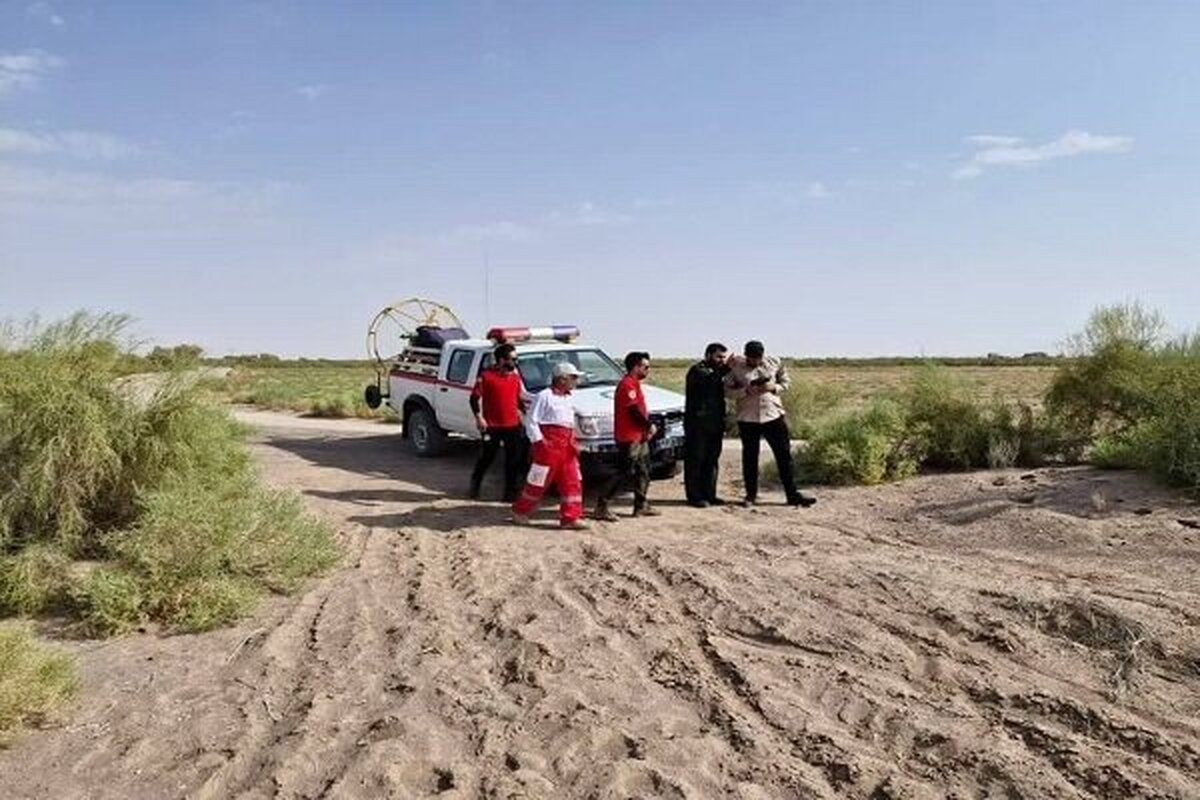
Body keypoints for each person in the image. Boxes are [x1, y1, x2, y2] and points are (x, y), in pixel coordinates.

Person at [725, 340, 817, 508]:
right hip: (748, 418)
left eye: (758, 358)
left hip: (773, 416)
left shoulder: (775, 362)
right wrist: (745, 391)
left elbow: (786, 383)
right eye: (751, 359)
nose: (755, 362)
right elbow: (727, 391)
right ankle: (750, 496)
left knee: (784, 456)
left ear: (763, 355)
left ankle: (792, 494)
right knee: (750, 458)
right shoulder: (735, 367)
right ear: (746, 356)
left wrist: (772, 387)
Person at [511, 361, 589, 530]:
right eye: (573, 378)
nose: (576, 381)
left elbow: (570, 423)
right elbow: (531, 421)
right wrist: (539, 442)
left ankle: (570, 517)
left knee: (572, 481)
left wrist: (575, 442)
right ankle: (520, 512)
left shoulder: (570, 398)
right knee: (538, 482)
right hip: (548, 446)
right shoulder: (544, 396)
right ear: (562, 379)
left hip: (567, 447)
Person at [593, 352, 661, 521]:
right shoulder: (627, 385)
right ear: (636, 367)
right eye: (645, 367)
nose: (648, 370)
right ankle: (602, 505)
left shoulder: (635, 384)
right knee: (624, 471)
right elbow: (633, 411)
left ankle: (641, 505)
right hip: (629, 437)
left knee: (643, 470)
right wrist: (648, 425)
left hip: (640, 436)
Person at [468, 343, 527, 501]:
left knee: (513, 461)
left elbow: (517, 399)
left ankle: (510, 494)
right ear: (501, 360)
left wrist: (521, 411)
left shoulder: (515, 377)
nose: (515, 362)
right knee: (487, 457)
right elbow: (474, 398)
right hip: (492, 426)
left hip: (512, 425)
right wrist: (479, 417)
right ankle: (475, 484)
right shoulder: (486, 377)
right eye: (513, 359)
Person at [684, 342, 729, 508]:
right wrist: (726, 368)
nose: (722, 360)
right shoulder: (698, 370)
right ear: (708, 355)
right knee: (696, 460)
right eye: (719, 356)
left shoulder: (717, 372)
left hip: (715, 423)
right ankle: (695, 496)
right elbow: (709, 381)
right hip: (698, 424)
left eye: (724, 357)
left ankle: (710, 494)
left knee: (712, 460)